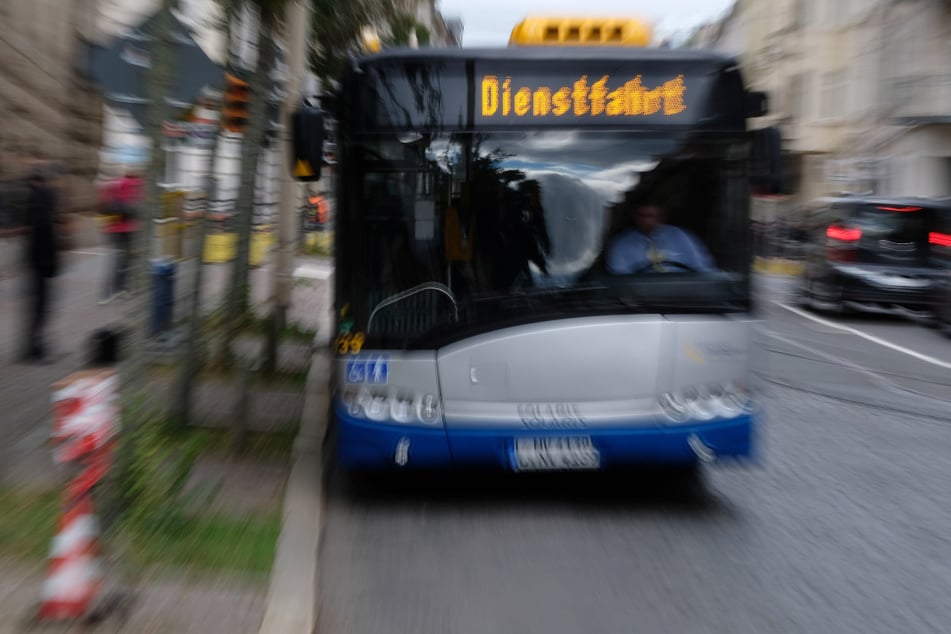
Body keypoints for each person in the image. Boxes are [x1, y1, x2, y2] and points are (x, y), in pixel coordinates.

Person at [20, 164, 60, 362]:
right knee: (40, 306)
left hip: (36, 259)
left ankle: (32, 347)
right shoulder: (40, 200)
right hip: (41, 260)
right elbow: (44, 234)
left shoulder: (31, 196)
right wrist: (50, 264)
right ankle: (34, 350)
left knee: (37, 305)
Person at [605, 203, 714, 274]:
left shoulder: (679, 235)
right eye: (642, 215)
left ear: (661, 217)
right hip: (641, 298)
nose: (646, 220)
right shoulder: (621, 244)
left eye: (651, 216)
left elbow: (702, 267)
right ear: (635, 217)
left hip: (682, 294)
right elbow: (620, 278)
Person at [99, 169, 141, 304]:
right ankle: (121, 289)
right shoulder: (136, 183)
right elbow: (138, 206)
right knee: (126, 260)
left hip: (112, 227)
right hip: (129, 228)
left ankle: (107, 294)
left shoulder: (112, 183)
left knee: (115, 260)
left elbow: (103, 204)